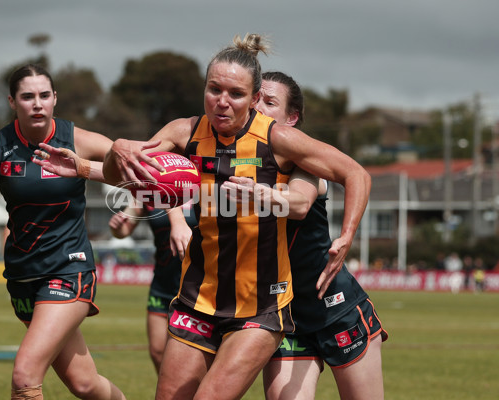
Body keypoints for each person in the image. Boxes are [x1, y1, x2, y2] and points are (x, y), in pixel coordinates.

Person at [35, 33, 371, 400]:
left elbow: (355, 174)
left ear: (255, 99)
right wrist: (109, 154)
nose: (222, 102)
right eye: (214, 89)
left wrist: (346, 236)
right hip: (198, 296)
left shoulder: (277, 140)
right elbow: (127, 173)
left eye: (236, 94)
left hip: (260, 306)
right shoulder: (185, 132)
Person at [0, 64, 126, 400]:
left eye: (44, 95)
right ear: (13, 102)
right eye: (27, 96)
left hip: (69, 269)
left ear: (55, 98)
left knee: (25, 375)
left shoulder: (77, 139)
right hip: (23, 277)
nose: (37, 103)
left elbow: (129, 172)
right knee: (85, 384)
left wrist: (84, 168)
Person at [253, 71, 387, 400]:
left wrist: (347, 236)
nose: (259, 108)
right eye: (255, 99)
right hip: (283, 313)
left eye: (270, 103)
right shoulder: (235, 159)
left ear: (292, 118)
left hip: (334, 307)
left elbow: (300, 203)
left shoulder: (305, 160)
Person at [108, 201, 196, 372]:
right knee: (158, 351)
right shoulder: (151, 188)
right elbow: (124, 229)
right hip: (163, 283)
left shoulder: (206, 186)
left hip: (199, 286)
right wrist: (116, 228)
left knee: (196, 357)